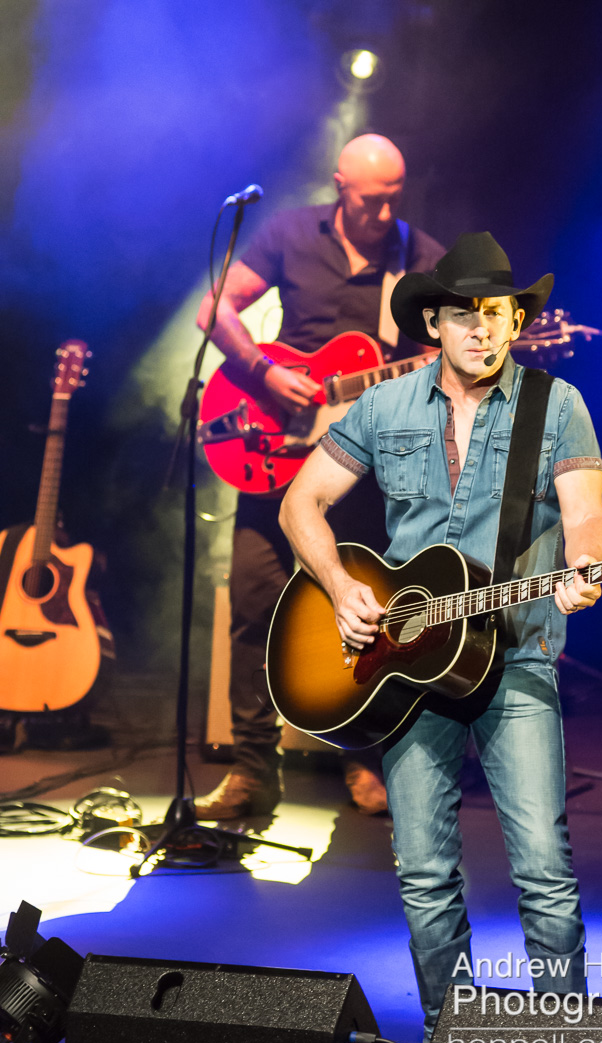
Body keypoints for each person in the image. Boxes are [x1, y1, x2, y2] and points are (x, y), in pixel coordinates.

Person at [277, 232, 602, 1043]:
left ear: (515, 321)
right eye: (465, 315)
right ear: (433, 322)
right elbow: (299, 504)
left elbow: (586, 516)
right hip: (403, 667)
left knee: (544, 872)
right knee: (426, 876)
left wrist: (585, 567)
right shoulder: (385, 406)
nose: (483, 330)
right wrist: (339, 586)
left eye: (497, 314)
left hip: (518, 654)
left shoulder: (556, 404)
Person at [194, 134, 445, 819]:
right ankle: (252, 771)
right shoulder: (289, 233)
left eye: (392, 199)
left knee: (366, 617)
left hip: (359, 475)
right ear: (339, 186)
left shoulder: (421, 258)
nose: (382, 213)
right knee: (252, 608)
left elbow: (440, 365)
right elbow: (214, 309)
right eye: (369, 200)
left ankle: (362, 760)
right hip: (275, 455)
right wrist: (263, 372)